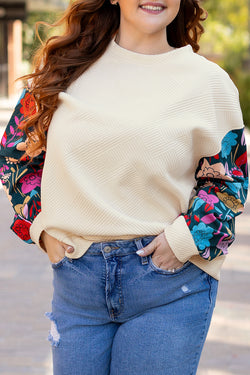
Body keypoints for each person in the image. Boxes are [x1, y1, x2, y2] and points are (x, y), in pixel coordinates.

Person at [0, 0, 248, 374]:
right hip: (77, 286)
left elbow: (228, 180)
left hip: (167, 284)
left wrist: (185, 241)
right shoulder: (62, 70)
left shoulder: (207, 82)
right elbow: (16, 155)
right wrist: (39, 227)